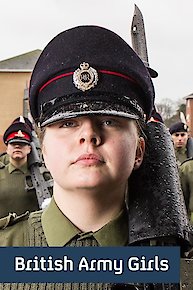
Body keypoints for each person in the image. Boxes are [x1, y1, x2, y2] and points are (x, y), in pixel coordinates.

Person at [0, 25, 192, 289]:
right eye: (67, 123)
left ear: (139, 150)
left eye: (109, 121)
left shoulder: (178, 268)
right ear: (42, 150)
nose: (89, 135)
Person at [0, 118, 40, 218]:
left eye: (22, 144)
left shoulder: (42, 177)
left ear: (29, 148)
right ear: (7, 148)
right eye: (13, 144)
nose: (17, 147)